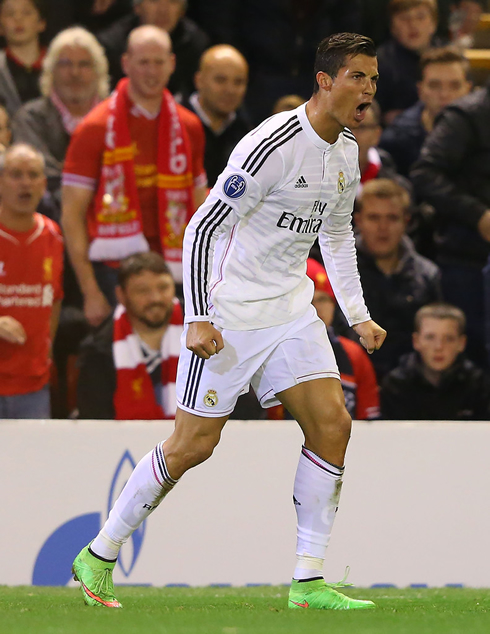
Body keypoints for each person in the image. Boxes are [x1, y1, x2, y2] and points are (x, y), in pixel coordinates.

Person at [72, 32, 386, 611]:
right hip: (231, 312)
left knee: (332, 426)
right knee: (194, 444)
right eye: (358, 77)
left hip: (291, 310)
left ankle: (308, 580)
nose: (369, 88)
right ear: (325, 81)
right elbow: (202, 229)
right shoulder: (271, 144)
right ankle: (99, 552)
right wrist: (197, 317)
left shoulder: (347, 150)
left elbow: (337, 235)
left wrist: (358, 316)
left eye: (372, 77)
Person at [61, 25, 207, 328]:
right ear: (126, 63)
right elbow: (71, 215)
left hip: (176, 265)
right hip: (113, 269)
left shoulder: (189, 126)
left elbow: (199, 206)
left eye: (158, 62)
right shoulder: (94, 127)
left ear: (172, 64)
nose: (151, 71)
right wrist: (90, 291)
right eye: (143, 62)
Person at [410, 75, 490, 369]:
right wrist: (478, 215)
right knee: (471, 358)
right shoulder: (466, 115)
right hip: (468, 260)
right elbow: (424, 173)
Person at [270, 258, 380, 421]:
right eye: (307, 300)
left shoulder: (353, 354)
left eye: (322, 299)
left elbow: (370, 419)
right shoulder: (273, 353)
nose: (316, 308)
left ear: (334, 304)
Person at [77, 252, 182, 420]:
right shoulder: (98, 351)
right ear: (121, 295)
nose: (155, 298)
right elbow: (95, 422)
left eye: (163, 288)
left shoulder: (202, 333)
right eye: (142, 291)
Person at [355, 178, 442, 380]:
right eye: (374, 217)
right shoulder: (337, 272)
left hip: (411, 385)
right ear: (358, 221)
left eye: (392, 218)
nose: (383, 227)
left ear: (407, 221)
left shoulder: (428, 274)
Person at [11, 26, 110, 205]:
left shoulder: (115, 117)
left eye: (84, 64)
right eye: (65, 64)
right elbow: (41, 176)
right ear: (51, 70)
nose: (75, 73)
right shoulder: (30, 118)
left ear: (98, 70)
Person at [0, 143, 63, 418]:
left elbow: (55, 297)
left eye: (33, 174)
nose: (25, 183)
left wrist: (45, 352)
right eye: (15, 174)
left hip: (33, 383)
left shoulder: (52, 234)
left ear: (43, 184)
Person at [381, 303, 490, 419]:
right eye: (430, 337)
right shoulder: (396, 384)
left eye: (449, 339)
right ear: (416, 341)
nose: (439, 347)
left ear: (461, 343)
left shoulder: (477, 384)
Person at [379, 46, 471, 177]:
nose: (444, 94)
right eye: (434, 85)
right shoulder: (396, 140)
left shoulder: (483, 133)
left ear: (468, 89)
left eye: (454, 86)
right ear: (420, 90)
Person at [97, 0, 210, 100]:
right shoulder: (111, 45)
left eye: (173, 1)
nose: (163, 10)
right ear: (137, 7)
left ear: (182, 10)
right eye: (154, 1)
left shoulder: (196, 43)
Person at [185, 44, 250, 187]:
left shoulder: (249, 133)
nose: (230, 90)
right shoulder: (176, 124)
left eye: (238, 82)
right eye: (220, 80)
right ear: (199, 81)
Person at [376, 0, 440, 125]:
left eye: (420, 17)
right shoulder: (379, 62)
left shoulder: (449, 57)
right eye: (404, 18)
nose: (413, 24)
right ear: (393, 27)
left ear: (434, 23)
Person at [0, 0, 46, 117]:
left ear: (41, 23)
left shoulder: (59, 64)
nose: (18, 18)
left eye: (26, 12)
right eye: (10, 14)